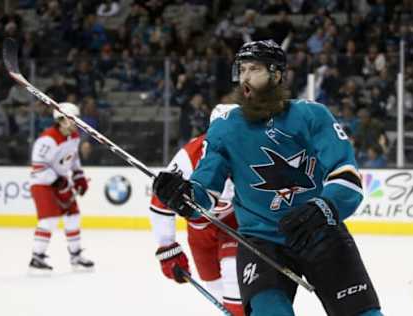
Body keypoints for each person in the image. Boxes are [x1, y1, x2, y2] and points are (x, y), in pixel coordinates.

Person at [152, 40, 383, 316]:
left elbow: (346, 175)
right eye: (242, 70)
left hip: (321, 233)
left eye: (255, 69)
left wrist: (323, 208)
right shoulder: (225, 128)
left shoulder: (312, 115)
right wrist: (184, 196)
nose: (245, 78)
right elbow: (206, 190)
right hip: (262, 244)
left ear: (276, 75)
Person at [150, 104, 244, 316]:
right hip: (200, 230)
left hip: (234, 224)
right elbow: (160, 202)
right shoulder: (190, 155)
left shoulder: (252, 150)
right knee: (215, 288)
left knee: (233, 274)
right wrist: (167, 249)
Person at [28, 102, 94, 273]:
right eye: (73, 119)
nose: (76, 122)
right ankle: (37, 257)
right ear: (61, 120)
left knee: (73, 216)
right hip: (42, 183)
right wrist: (58, 181)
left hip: (60, 181)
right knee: (48, 220)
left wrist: (78, 176)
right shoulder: (47, 140)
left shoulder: (74, 136)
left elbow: (73, 158)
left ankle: (76, 256)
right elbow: (38, 167)